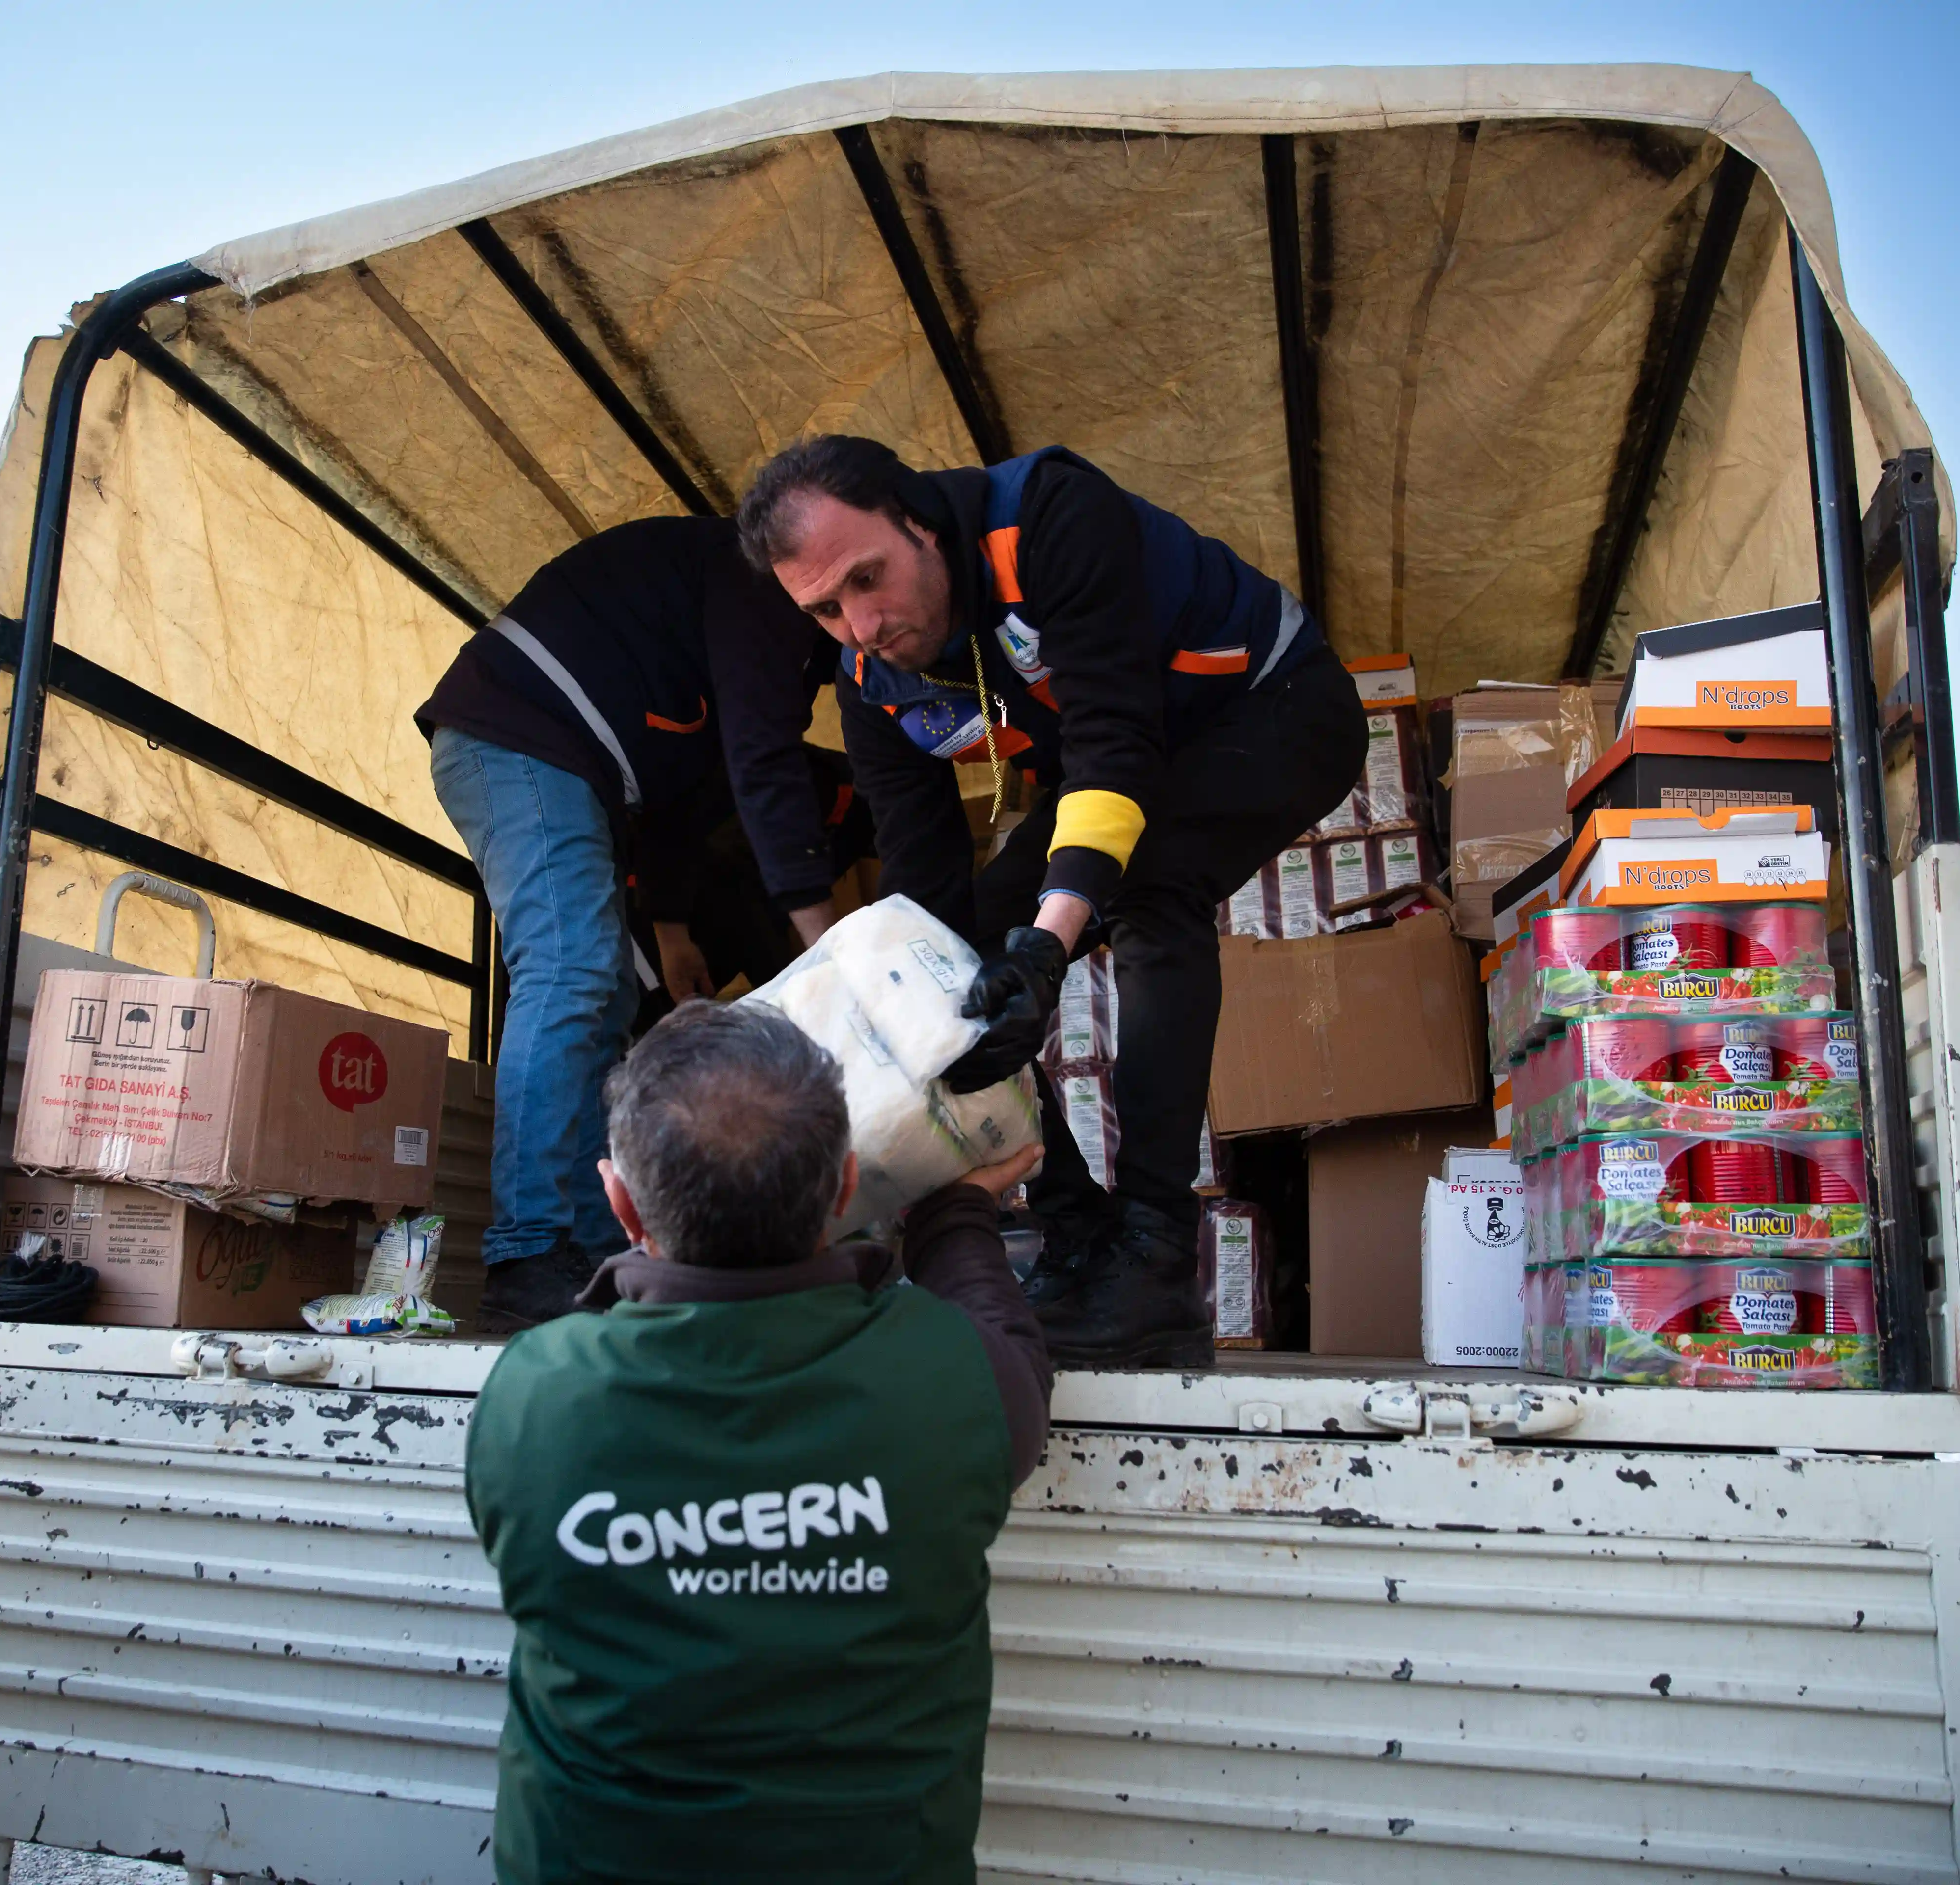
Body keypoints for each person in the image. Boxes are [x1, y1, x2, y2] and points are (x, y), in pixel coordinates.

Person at [739, 437, 1367, 1369]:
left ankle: (1156, 1254)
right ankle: (1079, 1235)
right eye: (825, 609)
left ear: (921, 523)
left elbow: (1115, 747)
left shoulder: (1047, 521)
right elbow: (923, 896)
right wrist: (922, 1012)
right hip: (1121, 768)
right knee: (955, 967)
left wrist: (1046, 949)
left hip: (1272, 709)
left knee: (1151, 890)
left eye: (868, 578)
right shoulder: (870, 688)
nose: (861, 624)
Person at [466, 1000, 1049, 1883]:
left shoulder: (535, 1395)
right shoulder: (960, 1381)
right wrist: (958, 1212)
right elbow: (1001, 1335)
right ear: (848, 1186)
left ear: (620, 1200)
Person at [416, 516, 840, 1331]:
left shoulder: (761, 644)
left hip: (581, 764)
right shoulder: (761, 587)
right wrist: (828, 946)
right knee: (571, 972)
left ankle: (584, 1251)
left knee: (607, 994)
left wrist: (673, 931)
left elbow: (692, 791)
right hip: (521, 732)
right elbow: (761, 761)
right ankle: (528, 1250)